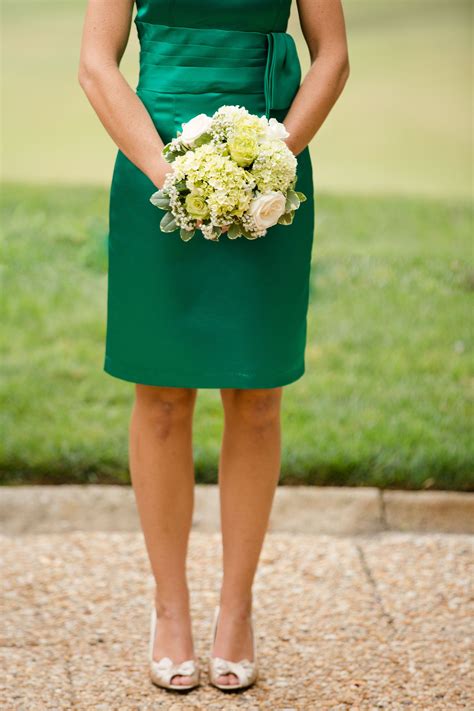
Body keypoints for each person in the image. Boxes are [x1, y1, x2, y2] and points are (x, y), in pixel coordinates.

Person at [78, 0, 349, 693]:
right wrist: (175, 181)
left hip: (270, 169)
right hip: (154, 166)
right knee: (162, 393)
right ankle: (169, 610)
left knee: (257, 394)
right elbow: (96, 65)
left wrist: (270, 160)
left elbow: (333, 56)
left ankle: (237, 608)